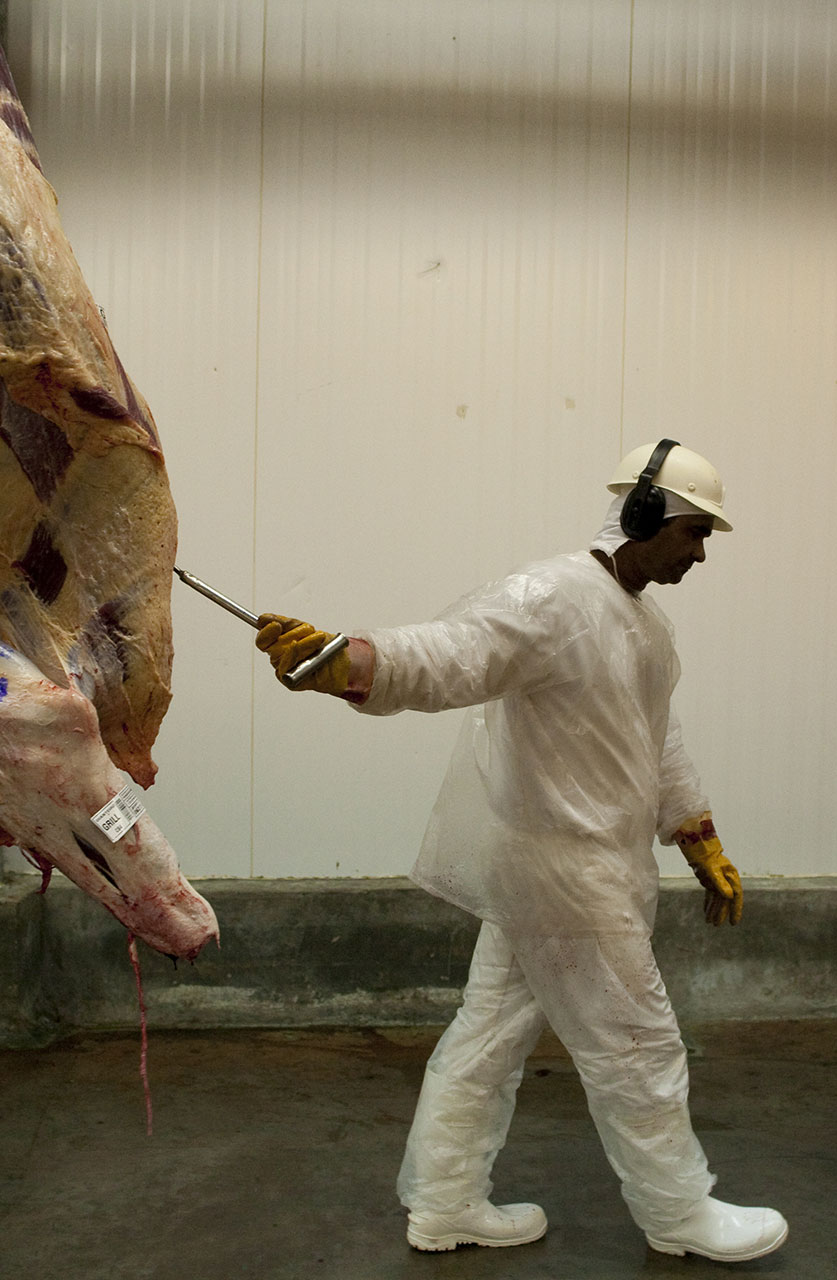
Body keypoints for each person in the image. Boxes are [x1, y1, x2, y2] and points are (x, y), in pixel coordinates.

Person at [253, 440, 788, 1264]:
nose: (702, 553)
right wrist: (352, 663)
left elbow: (657, 735)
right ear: (651, 517)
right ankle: (680, 1214)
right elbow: (454, 653)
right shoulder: (550, 598)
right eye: (696, 533)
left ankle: (444, 1204)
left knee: (487, 1038)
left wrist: (698, 833)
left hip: (562, 871)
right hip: (566, 872)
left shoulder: (644, 625)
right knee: (637, 1046)